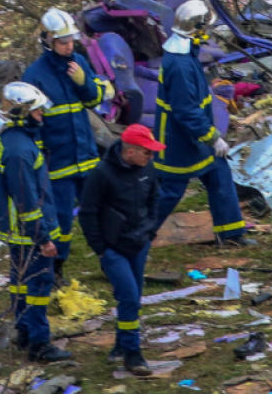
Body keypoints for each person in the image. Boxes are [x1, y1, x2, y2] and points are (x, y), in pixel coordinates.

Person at [153, 0, 253, 245]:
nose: (207, 33)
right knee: (171, 191)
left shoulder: (187, 54)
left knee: (219, 175)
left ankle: (231, 234)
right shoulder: (179, 64)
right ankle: (135, 236)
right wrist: (213, 137)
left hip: (194, 136)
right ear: (196, 29)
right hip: (178, 141)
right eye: (205, 28)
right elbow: (185, 110)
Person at [23, 7, 109, 284]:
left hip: (87, 156)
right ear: (47, 40)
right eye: (62, 42)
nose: (69, 46)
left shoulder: (79, 63)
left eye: (71, 40)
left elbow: (94, 100)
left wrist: (84, 83)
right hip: (57, 162)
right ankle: (56, 267)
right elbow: (30, 123)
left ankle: (110, 261)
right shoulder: (34, 75)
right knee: (60, 222)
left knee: (100, 213)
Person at [0, 82, 72, 363]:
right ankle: (39, 343)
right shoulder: (19, 151)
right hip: (29, 232)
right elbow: (26, 198)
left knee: (20, 282)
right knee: (39, 284)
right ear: (21, 112)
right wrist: (43, 238)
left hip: (19, 231)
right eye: (36, 112)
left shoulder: (13, 139)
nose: (41, 116)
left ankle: (24, 331)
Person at [78, 124, 162, 377]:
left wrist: (149, 231)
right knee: (127, 296)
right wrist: (101, 249)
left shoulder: (147, 169)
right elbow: (87, 213)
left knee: (133, 299)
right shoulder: (102, 174)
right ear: (131, 151)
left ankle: (119, 344)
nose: (151, 157)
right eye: (147, 152)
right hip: (114, 249)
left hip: (139, 244)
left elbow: (155, 200)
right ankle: (132, 353)